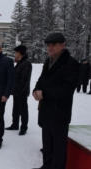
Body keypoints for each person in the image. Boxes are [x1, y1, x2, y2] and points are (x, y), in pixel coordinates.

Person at [33, 33, 79, 169]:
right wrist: (36, 90)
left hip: (59, 111)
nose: (50, 48)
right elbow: (41, 80)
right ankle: (46, 166)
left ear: (62, 46)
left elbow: (68, 88)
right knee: (47, 144)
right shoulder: (49, 61)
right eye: (48, 45)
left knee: (58, 147)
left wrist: (44, 93)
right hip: (46, 109)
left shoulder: (71, 63)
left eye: (54, 45)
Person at [6, 45, 32, 136]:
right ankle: (15, 124)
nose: (15, 55)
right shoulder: (21, 62)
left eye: (15, 53)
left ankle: (24, 127)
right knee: (16, 109)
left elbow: (25, 79)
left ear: (19, 53)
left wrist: (20, 91)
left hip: (21, 92)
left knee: (23, 110)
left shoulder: (26, 63)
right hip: (16, 91)